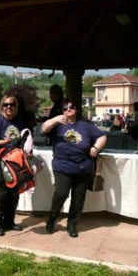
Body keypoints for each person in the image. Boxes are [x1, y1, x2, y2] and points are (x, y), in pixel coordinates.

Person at [42, 100, 107, 238]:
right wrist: (56, 119)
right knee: (61, 194)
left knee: (78, 198)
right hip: (62, 166)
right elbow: (44, 128)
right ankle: (52, 217)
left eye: (71, 107)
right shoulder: (58, 126)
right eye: (65, 107)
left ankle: (72, 224)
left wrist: (96, 148)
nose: (68, 109)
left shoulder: (86, 126)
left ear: (76, 110)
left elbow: (102, 136)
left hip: (83, 168)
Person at [0, 95, 25, 236]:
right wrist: (6, 141)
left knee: (14, 191)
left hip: (14, 160)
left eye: (12, 104)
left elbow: (22, 139)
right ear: (2, 106)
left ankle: (9, 221)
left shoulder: (19, 122)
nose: (9, 107)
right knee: (1, 190)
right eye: (6, 104)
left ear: (16, 107)